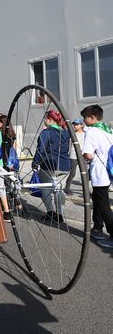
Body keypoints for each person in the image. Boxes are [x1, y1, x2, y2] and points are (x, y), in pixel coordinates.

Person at [80, 105, 113, 247]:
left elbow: (87, 154)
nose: (83, 120)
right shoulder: (107, 129)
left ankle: (112, 234)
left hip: (99, 171)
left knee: (103, 204)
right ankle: (97, 228)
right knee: (98, 199)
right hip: (108, 170)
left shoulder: (92, 131)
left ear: (92, 117)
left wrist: (86, 155)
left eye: (84, 117)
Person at [32, 110, 70, 223]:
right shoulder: (65, 132)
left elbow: (41, 150)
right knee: (59, 188)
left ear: (49, 119)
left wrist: (35, 163)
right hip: (64, 165)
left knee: (45, 188)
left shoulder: (46, 132)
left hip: (49, 165)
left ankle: (50, 212)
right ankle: (60, 214)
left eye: (44, 118)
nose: (43, 121)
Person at [64, 118, 85, 195]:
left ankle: (86, 190)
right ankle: (67, 187)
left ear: (81, 125)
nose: (75, 126)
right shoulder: (72, 134)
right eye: (74, 124)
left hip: (83, 156)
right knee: (72, 173)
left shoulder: (85, 134)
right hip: (73, 156)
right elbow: (68, 145)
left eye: (77, 124)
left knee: (85, 174)